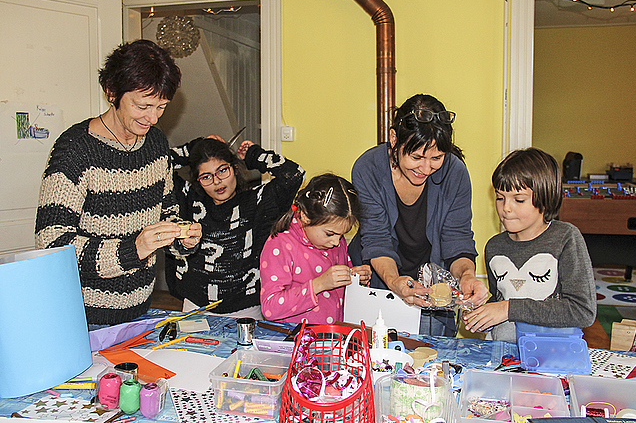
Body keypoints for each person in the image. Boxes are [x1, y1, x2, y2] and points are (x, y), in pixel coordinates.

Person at [35, 39, 202, 326]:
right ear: (112, 92)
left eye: (161, 107)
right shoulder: (75, 149)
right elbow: (51, 245)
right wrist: (132, 249)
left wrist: (181, 240)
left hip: (140, 310)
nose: (152, 118)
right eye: (143, 106)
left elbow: (167, 211)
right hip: (82, 317)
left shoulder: (156, 144)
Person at [349, 94, 488, 336]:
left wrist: (467, 276)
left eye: (436, 158)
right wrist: (394, 282)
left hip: (432, 291)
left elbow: (457, 239)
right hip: (381, 282)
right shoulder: (368, 168)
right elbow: (376, 240)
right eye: (416, 157)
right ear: (394, 139)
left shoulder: (454, 172)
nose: (425, 169)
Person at [463, 147, 597, 342]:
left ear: (544, 198)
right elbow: (501, 300)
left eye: (518, 199)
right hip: (501, 355)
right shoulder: (494, 247)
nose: (506, 208)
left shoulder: (566, 238)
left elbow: (582, 310)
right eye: (500, 197)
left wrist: (508, 309)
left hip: (549, 357)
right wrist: (480, 313)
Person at [166, 136, 306, 319]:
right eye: (206, 176)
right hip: (194, 308)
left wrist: (254, 155)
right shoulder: (188, 198)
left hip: (246, 310)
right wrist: (195, 147)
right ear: (197, 180)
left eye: (223, 170)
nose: (217, 181)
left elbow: (295, 174)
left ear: (235, 168)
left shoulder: (259, 201)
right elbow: (157, 163)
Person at [260, 174, 372, 324]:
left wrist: (356, 279)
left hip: (332, 337)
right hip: (295, 341)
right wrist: (319, 284)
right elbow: (270, 308)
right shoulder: (280, 245)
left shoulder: (335, 242)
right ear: (306, 216)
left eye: (342, 235)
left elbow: (343, 292)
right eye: (330, 234)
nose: (336, 242)